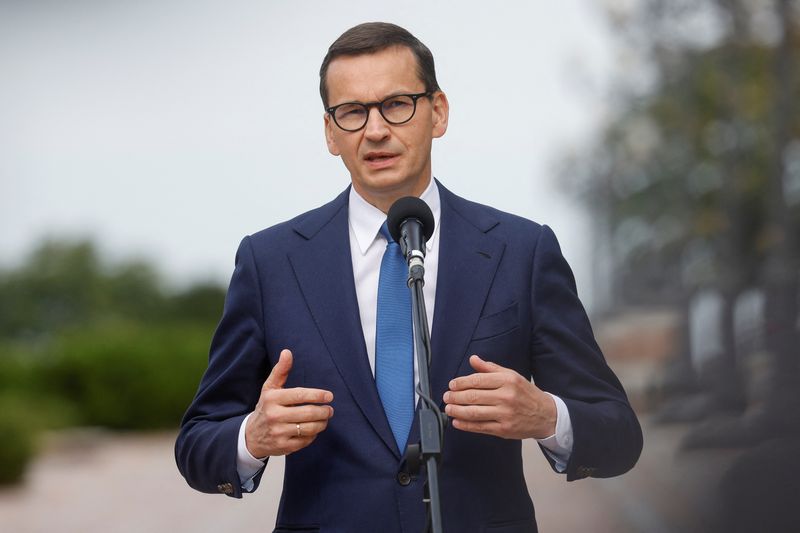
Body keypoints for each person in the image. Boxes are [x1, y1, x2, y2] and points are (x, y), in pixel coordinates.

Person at [175, 22, 642, 533]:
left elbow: (619, 436)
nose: (375, 130)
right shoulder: (270, 262)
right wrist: (252, 437)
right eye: (352, 112)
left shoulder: (522, 251)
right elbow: (198, 441)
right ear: (330, 132)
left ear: (437, 112)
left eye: (397, 104)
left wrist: (548, 416)